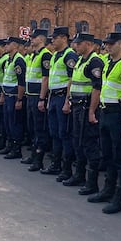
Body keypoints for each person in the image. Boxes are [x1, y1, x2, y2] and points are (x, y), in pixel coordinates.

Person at [88, 32, 121, 215]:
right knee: (107, 154)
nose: (107, 46)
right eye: (106, 43)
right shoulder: (108, 63)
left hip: (118, 115)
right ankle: (108, 190)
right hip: (105, 113)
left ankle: (120, 197)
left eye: (111, 44)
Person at [65, 32, 104, 191]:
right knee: (78, 141)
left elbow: (97, 88)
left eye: (79, 43)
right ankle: (79, 175)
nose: (75, 46)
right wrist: (68, 100)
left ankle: (92, 183)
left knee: (89, 143)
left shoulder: (94, 62)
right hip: (76, 105)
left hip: (86, 107)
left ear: (88, 44)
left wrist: (92, 111)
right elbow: (73, 82)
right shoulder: (81, 60)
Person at [46, 26, 79, 180]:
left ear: (64, 38)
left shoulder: (69, 55)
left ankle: (66, 169)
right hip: (53, 97)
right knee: (54, 132)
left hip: (62, 98)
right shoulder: (55, 55)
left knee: (64, 133)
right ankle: (56, 164)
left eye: (55, 37)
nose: (52, 40)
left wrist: (67, 101)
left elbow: (72, 79)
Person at [24, 29, 52, 171]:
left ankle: (38, 159)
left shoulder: (45, 55)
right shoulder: (34, 55)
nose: (31, 40)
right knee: (32, 128)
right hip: (30, 94)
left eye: (34, 38)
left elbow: (45, 78)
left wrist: (42, 98)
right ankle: (34, 154)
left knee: (39, 128)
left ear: (41, 39)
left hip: (37, 96)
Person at [0, 37, 27, 159]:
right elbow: (5, 78)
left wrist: (19, 99)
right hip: (7, 94)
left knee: (14, 122)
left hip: (14, 96)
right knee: (7, 122)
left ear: (15, 46)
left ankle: (16, 148)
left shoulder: (19, 60)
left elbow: (21, 82)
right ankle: (10, 145)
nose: (5, 46)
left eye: (8, 44)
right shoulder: (9, 60)